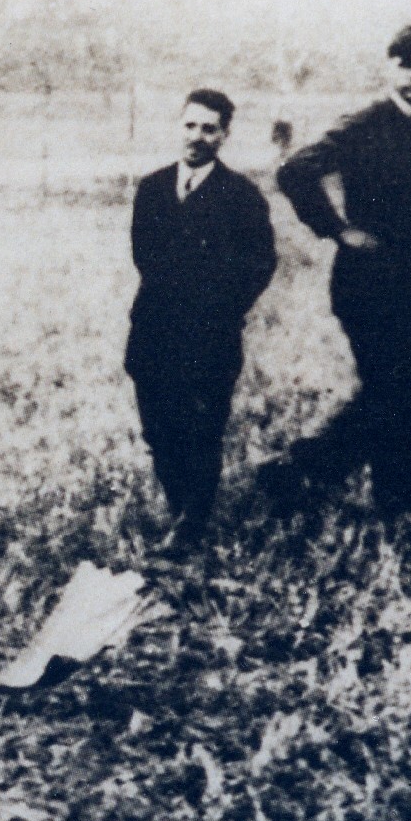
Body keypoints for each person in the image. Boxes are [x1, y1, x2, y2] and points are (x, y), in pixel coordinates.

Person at [271, 25, 411, 520]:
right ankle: (398, 503)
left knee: (399, 390)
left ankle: (301, 469)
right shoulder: (363, 124)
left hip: (409, 279)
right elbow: (296, 171)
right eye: (406, 64)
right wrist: (338, 230)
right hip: (363, 282)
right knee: (395, 391)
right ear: (388, 66)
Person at [125, 89, 277, 555]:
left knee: (202, 427)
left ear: (224, 135)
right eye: (190, 125)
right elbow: (144, 255)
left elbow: (260, 263)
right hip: (154, 332)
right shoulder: (151, 188)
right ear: (179, 126)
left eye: (209, 128)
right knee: (158, 428)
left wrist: (220, 307)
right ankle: (180, 510)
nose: (197, 136)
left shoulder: (242, 197)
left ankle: (192, 524)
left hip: (210, 336)